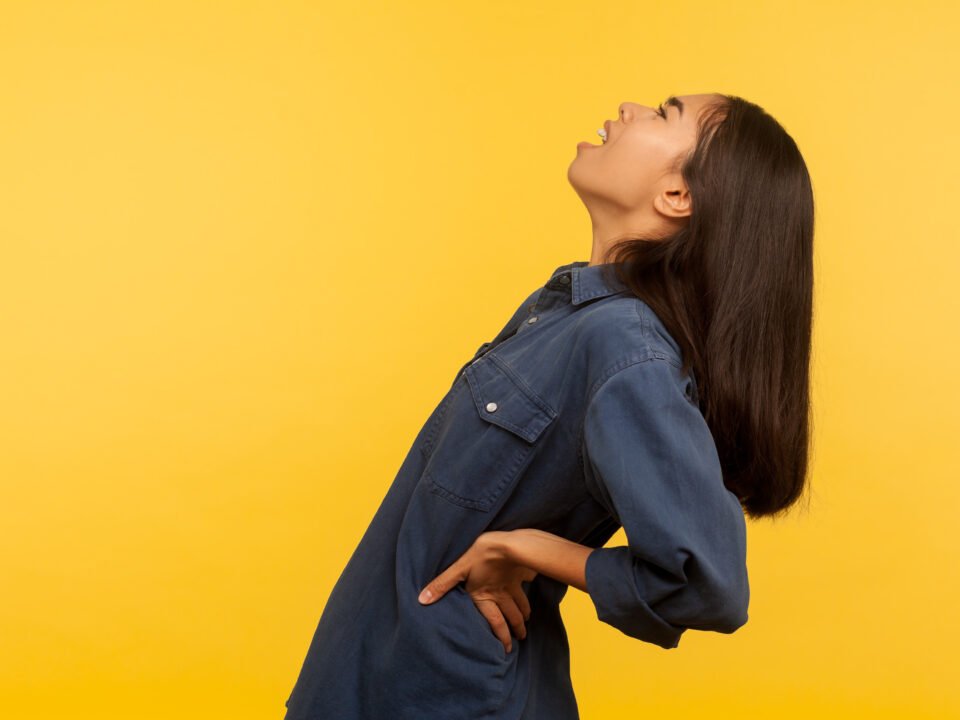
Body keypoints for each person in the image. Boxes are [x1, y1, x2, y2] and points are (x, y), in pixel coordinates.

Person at [283, 92, 815, 720]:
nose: (629, 106)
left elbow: (708, 583)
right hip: (370, 675)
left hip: (448, 694)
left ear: (677, 195)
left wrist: (526, 548)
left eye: (665, 113)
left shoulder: (623, 346)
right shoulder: (563, 311)